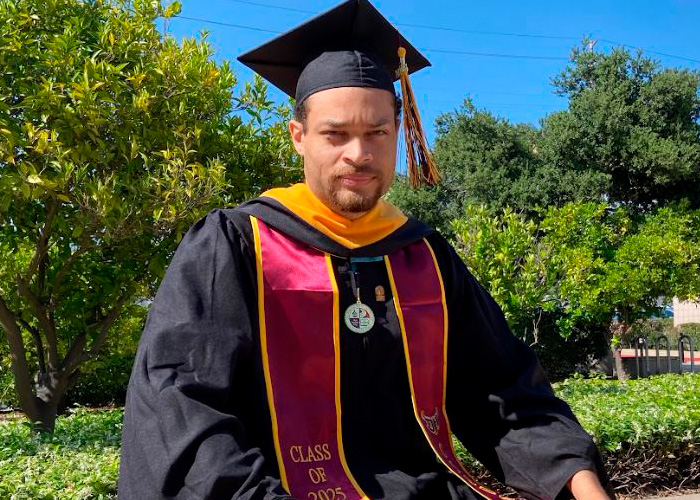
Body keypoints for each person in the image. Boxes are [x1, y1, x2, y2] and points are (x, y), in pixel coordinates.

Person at [118, 1, 613, 499]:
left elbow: (505, 391)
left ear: (399, 133)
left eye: (377, 133)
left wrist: (575, 477)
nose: (359, 154)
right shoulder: (234, 246)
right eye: (335, 134)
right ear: (299, 137)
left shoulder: (425, 256)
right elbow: (182, 408)